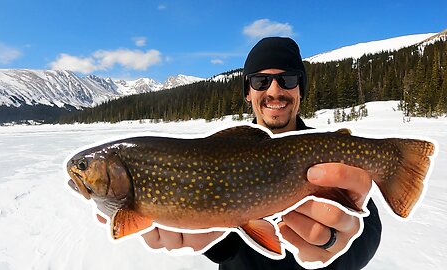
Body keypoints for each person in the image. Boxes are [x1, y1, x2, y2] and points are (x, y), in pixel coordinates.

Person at [141, 37, 382, 269]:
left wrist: (334, 251)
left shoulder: (328, 153)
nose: (274, 91)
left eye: (287, 79)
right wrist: (207, 237)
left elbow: (366, 231)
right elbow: (227, 251)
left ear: (301, 89)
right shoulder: (218, 156)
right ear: (248, 91)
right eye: (260, 81)